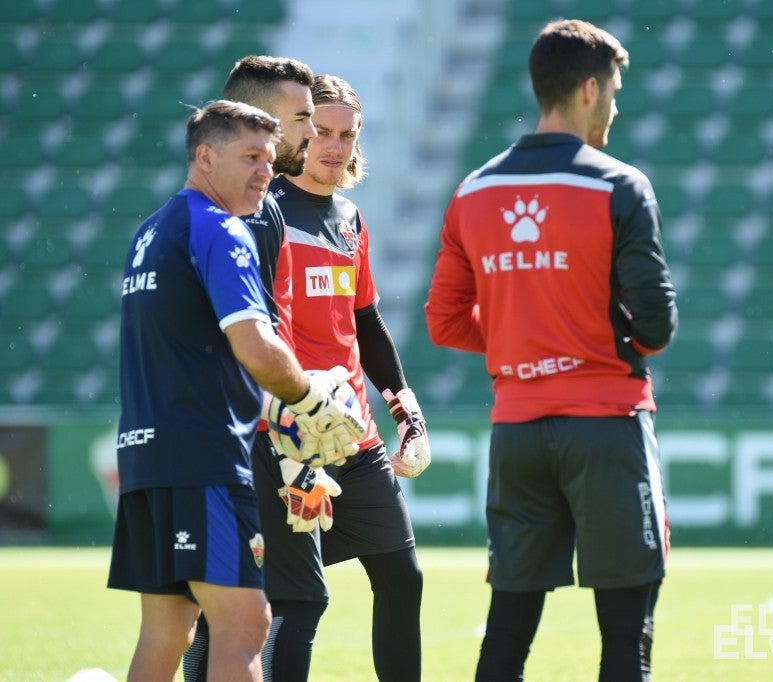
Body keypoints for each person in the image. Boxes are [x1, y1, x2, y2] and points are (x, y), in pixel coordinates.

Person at [424, 19, 677, 681]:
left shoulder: (473, 191)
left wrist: (523, 340)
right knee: (627, 638)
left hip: (516, 435)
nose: (616, 107)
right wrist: (583, 343)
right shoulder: (620, 185)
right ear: (590, 90)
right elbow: (656, 323)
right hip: (606, 428)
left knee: (507, 637)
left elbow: (444, 322)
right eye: (615, 92)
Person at [108, 99, 365, 682]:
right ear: (205, 156)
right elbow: (255, 345)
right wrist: (310, 399)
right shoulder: (220, 228)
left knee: (168, 628)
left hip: (147, 454)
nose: (264, 173)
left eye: (270, 160)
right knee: (246, 624)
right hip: (203, 457)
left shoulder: (151, 229)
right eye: (249, 157)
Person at [272, 72, 430, 682]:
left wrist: (406, 413)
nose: (335, 147)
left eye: (348, 135)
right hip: (289, 439)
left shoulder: (350, 219)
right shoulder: (265, 213)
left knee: (401, 577)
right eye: (322, 133)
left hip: (354, 439)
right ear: (299, 135)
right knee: (294, 598)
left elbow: (364, 322)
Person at [182, 55, 333, 682]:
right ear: (260, 122)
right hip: (247, 433)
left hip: (235, 428)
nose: (313, 135)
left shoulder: (247, 208)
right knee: (286, 600)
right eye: (302, 119)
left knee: (206, 613)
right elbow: (250, 337)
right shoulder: (241, 216)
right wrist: (296, 426)